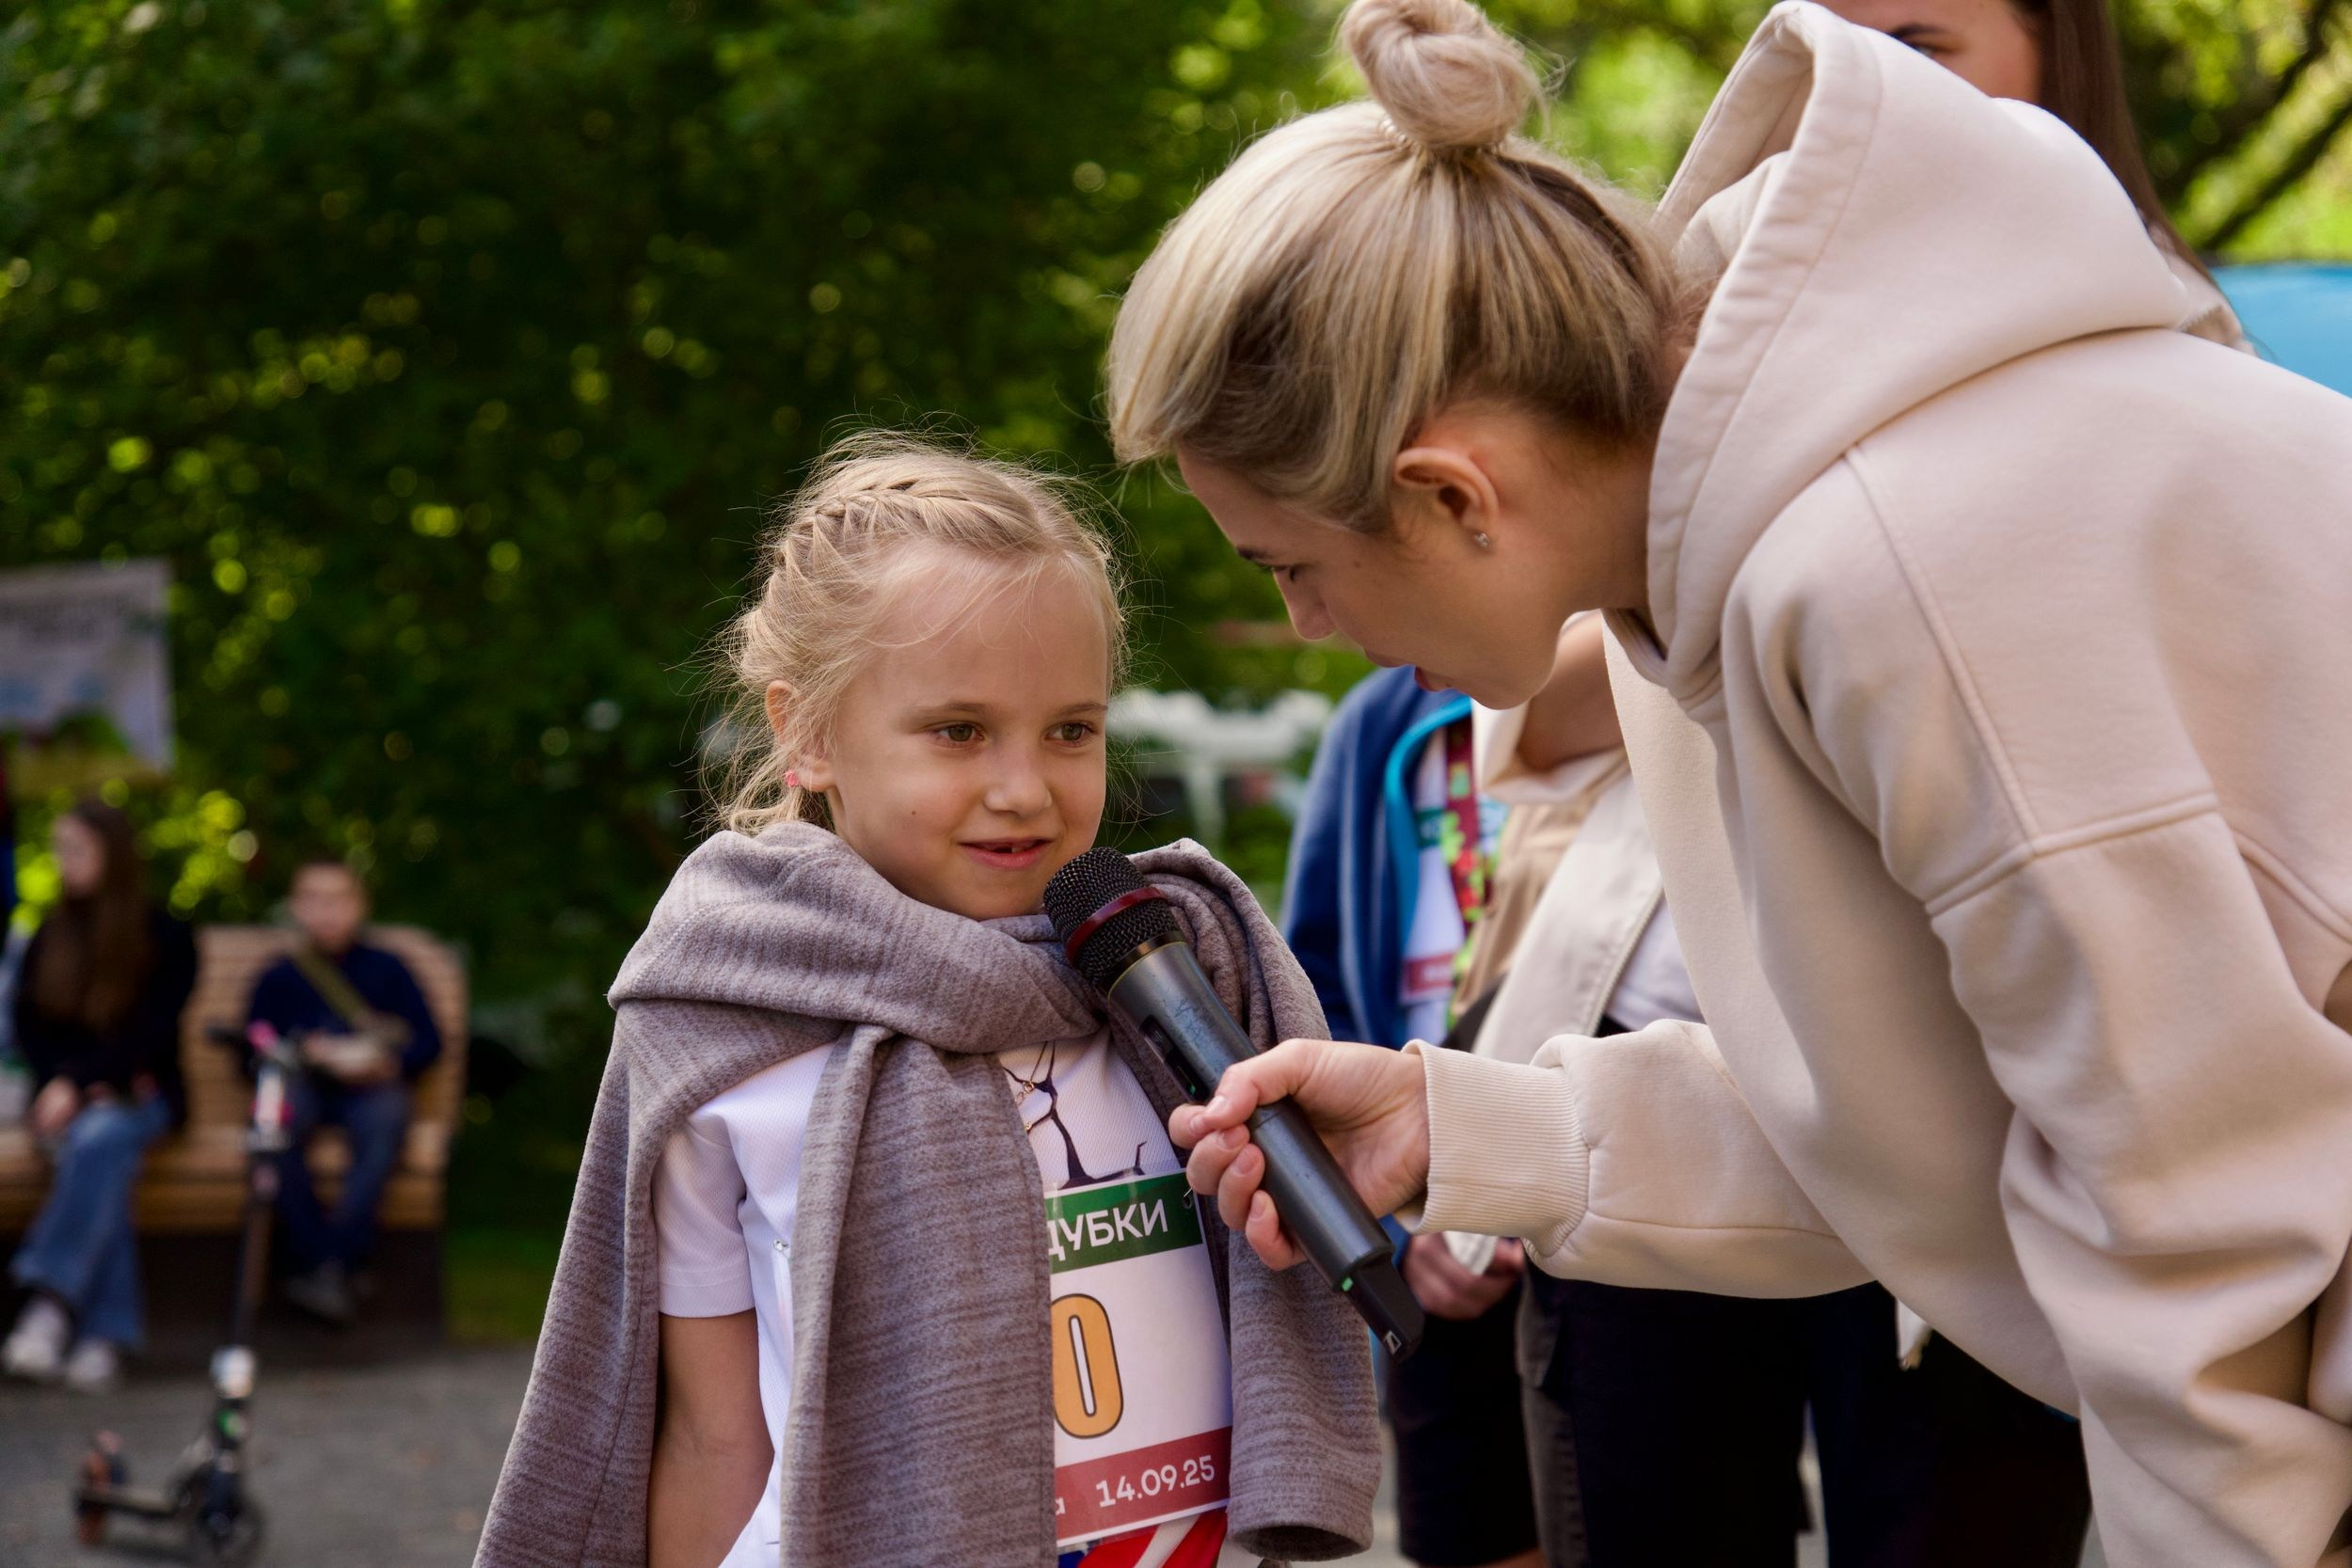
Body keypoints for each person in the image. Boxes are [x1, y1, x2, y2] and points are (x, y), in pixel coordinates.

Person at [1107, 0, 2352, 1561]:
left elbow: (2200, 1223)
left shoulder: (1894, 562)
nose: (1308, 628)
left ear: (1447, 492)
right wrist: (1470, 1123)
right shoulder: (1714, 571)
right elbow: (1928, 1123)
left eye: (1293, 566)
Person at [473, 436, 1376, 1568]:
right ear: (804, 731)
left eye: (1071, 728)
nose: (1023, 785)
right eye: (958, 730)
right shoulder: (726, 1024)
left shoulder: (1173, 982)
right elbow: (712, 1433)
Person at [1282, 663, 1537, 1568]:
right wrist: (1394, 1217)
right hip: (1432, 1219)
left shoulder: (1638, 689)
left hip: (1609, 1183)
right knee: (1475, 1516)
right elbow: (1315, 976)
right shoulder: (1382, 719)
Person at [3, 800, 197, 1392]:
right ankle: (103, 1337)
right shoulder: (48, 935)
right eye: (60, 849)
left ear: (113, 855)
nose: (65, 862)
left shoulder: (163, 935)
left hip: (142, 1096)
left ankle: (50, 1302)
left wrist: (86, 1084)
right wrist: (62, 1084)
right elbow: (30, 1027)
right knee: (95, 1151)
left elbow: (152, 1032)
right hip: (61, 1104)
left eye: (78, 849)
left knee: (100, 1137)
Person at [244, 856, 441, 1327]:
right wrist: (302, 1053)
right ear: (294, 907)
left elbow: (429, 1043)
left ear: (360, 905)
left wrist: (382, 1061)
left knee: (386, 1122)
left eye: (336, 899)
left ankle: (321, 1266)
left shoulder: (388, 970)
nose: (325, 911)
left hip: (370, 1090)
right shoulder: (280, 976)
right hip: (305, 1086)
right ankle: (331, 1264)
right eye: (312, 900)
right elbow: (250, 1050)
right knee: (278, 1124)